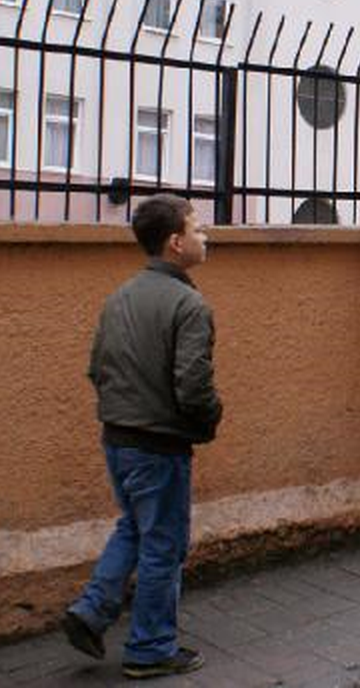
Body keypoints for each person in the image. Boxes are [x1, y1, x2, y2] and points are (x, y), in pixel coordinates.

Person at [63, 194, 221, 680]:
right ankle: (150, 649)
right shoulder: (189, 304)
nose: (205, 236)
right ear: (175, 242)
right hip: (160, 445)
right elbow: (193, 386)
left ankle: (92, 611)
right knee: (164, 546)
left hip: (117, 438)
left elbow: (97, 368)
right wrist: (210, 419)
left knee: (134, 526)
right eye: (197, 229)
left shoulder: (120, 296)